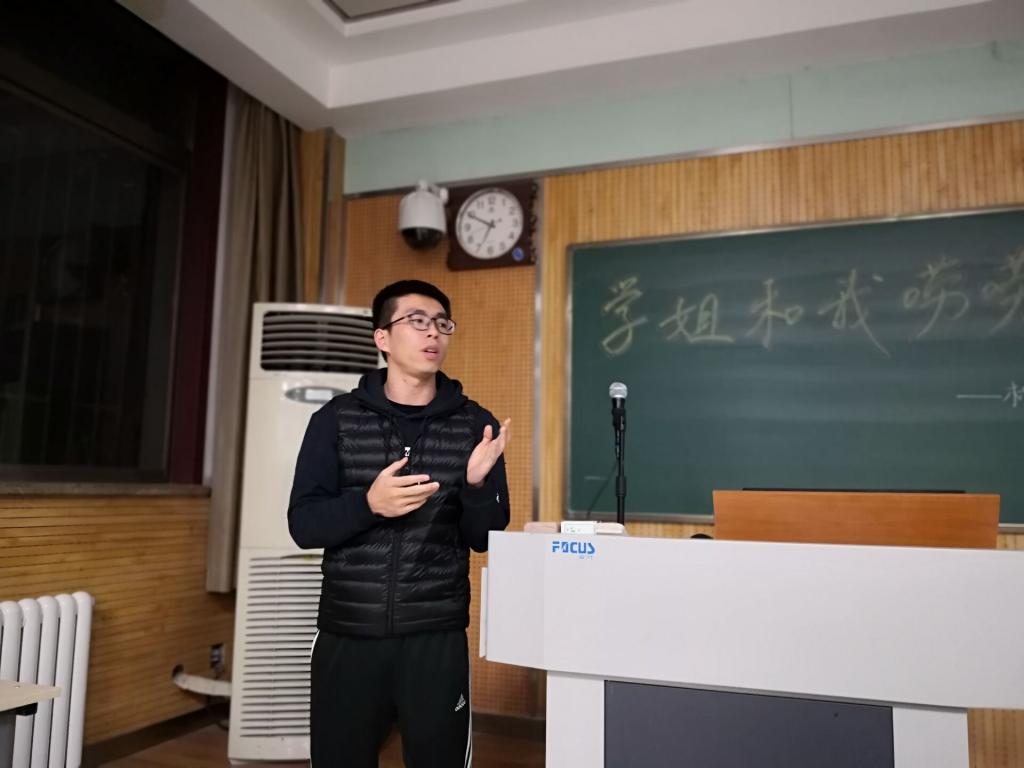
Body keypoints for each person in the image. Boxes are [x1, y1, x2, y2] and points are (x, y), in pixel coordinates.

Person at [288, 279, 511, 768]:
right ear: (382, 337)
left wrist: (476, 485)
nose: (433, 333)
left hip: (435, 635)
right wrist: (369, 504)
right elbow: (304, 524)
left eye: (442, 323)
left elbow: (484, 538)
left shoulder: (476, 425)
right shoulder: (335, 420)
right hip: (348, 632)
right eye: (417, 321)